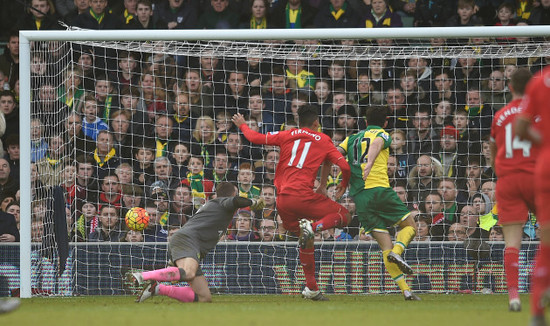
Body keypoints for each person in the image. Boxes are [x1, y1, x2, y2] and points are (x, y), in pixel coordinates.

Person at [232, 105, 351, 301]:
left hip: (283, 201)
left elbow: (254, 138)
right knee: (345, 215)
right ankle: (314, 227)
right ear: (316, 123)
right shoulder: (323, 139)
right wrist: (342, 186)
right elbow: (344, 167)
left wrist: (243, 125)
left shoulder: (287, 134)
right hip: (303, 197)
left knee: (306, 241)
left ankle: (311, 288)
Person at [130, 182, 264, 303]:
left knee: (204, 297)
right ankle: (142, 276)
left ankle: (157, 289)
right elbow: (235, 201)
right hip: (188, 240)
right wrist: (254, 202)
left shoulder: (216, 207)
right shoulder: (222, 202)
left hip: (189, 244)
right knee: (188, 273)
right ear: (233, 194)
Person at [338, 105, 419, 301]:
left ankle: (405, 290)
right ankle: (398, 252)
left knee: (385, 246)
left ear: (365, 121)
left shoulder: (351, 138)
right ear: (386, 122)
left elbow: (335, 154)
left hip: (360, 198)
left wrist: (342, 179)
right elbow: (375, 145)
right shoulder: (384, 134)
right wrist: (370, 164)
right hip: (380, 190)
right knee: (410, 226)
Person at [489, 67, 535, 312]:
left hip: (507, 179)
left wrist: (501, 172)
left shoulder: (500, 115)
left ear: (510, 87)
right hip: (535, 176)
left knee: (512, 243)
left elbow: (493, 148)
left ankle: (514, 296)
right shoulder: (538, 112)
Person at [514, 65, 550, 326]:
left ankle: (537, 311)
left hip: (545, 165)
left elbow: (521, 127)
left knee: (547, 239)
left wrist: (544, 143)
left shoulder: (540, 80)